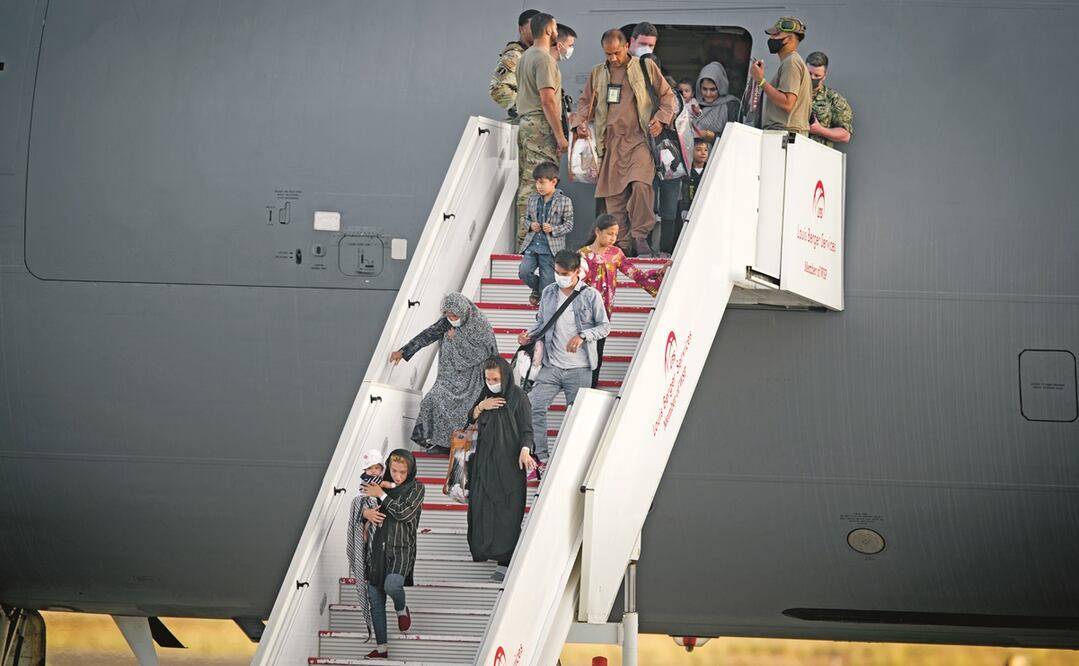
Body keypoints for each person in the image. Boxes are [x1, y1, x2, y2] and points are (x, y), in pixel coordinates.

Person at [575, 29, 677, 258]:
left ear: (626, 47)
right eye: (608, 54)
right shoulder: (598, 73)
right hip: (610, 142)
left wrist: (660, 120)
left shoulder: (645, 67)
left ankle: (640, 237)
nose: (612, 58)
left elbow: (667, 97)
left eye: (616, 53)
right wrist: (580, 122)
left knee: (641, 186)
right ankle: (622, 243)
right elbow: (584, 104)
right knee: (613, 197)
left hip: (639, 139)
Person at [517, 250, 610, 466]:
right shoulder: (549, 292)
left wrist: (583, 336)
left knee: (576, 416)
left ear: (577, 272)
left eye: (565, 273)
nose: (560, 277)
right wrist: (528, 334)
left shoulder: (590, 295)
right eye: (557, 272)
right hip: (551, 365)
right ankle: (541, 457)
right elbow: (541, 322)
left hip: (580, 368)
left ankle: (571, 460)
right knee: (533, 406)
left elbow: (605, 326)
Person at [389, 293, 496, 452]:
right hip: (450, 375)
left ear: (463, 311)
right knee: (432, 399)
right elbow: (428, 335)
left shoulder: (480, 323)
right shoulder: (447, 322)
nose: (452, 319)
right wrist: (403, 352)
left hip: (474, 377)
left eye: (455, 315)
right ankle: (438, 444)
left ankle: (460, 444)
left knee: (465, 408)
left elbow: (487, 351)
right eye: (449, 315)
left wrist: (457, 338)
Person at [467, 356, 536, 582]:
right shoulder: (485, 395)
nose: (491, 382)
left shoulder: (518, 397)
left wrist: (525, 450)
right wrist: (481, 406)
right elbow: (470, 418)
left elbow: (527, 430)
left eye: (495, 378)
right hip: (484, 466)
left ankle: (505, 562)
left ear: (505, 376)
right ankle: (488, 551)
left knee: (507, 514)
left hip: (508, 468)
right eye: (487, 378)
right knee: (482, 511)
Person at [579, 214, 667, 387]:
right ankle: (579, 387)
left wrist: (660, 273)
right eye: (610, 233)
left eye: (615, 234)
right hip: (583, 312)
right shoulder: (583, 255)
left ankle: (590, 388)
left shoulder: (616, 254)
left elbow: (635, 274)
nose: (613, 238)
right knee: (583, 354)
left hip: (604, 314)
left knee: (598, 352)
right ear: (598, 231)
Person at [360, 449, 425, 660]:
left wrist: (381, 494)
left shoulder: (417, 487)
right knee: (375, 599)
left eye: (402, 472)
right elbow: (361, 501)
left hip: (402, 549)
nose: (397, 476)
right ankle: (382, 649)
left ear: (410, 470)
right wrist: (365, 513)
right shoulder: (381, 483)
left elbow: (403, 513)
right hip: (377, 548)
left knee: (392, 585)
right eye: (394, 471)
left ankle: (401, 608)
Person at [515, 12, 570, 242]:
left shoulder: (526, 56)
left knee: (529, 180)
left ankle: (523, 239)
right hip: (540, 126)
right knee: (541, 182)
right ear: (548, 30)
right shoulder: (544, 59)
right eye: (555, 27)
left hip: (527, 123)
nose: (556, 31)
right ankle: (531, 241)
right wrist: (560, 136)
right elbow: (547, 100)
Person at [346, 448, 391, 641]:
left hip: (385, 550)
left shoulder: (373, 481)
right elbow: (385, 486)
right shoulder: (372, 480)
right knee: (365, 527)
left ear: (381, 467)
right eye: (371, 468)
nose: (373, 471)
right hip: (369, 509)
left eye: (376, 468)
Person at [519, 161, 574, 305]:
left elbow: (569, 225)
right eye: (537, 183)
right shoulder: (532, 199)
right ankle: (536, 288)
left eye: (542, 183)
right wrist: (530, 225)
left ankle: (543, 311)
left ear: (554, 181)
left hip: (550, 249)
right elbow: (525, 218)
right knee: (524, 272)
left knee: (547, 280)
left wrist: (554, 229)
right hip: (532, 244)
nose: (539, 186)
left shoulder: (564, 201)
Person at [750, 16, 811, 135]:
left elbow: (787, 103)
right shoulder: (791, 61)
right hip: (784, 133)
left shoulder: (791, 63)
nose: (771, 38)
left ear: (788, 38)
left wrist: (761, 81)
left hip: (785, 134)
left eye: (776, 35)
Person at [489, 9, 540, 120]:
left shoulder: (535, 57)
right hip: (522, 127)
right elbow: (497, 89)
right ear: (521, 30)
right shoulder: (515, 56)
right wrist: (530, 109)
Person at [806, 51, 853, 148]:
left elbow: (845, 135)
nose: (812, 78)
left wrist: (819, 130)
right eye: (809, 73)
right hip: (792, 151)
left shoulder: (833, 98)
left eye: (817, 75)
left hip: (819, 154)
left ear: (824, 75)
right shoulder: (793, 93)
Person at [690, 61, 740, 143]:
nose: (708, 94)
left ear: (721, 87)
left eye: (713, 89)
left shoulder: (731, 106)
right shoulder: (693, 104)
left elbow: (734, 137)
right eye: (704, 89)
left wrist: (709, 135)